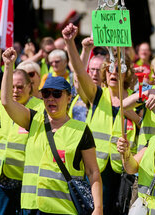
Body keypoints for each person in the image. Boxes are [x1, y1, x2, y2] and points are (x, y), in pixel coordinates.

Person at [0, 47, 102, 214]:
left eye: (56, 94)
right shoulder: (34, 120)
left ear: (69, 98)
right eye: (46, 94)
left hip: (63, 209)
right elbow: (6, 102)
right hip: (31, 207)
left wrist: (98, 208)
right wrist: (8, 65)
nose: (51, 98)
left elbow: (93, 172)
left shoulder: (81, 130)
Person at [63, 23, 139, 214]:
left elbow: (145, 130)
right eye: (110, 68)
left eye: (119, 68)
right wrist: (70, 43)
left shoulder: (138, 100)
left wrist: (133, 115)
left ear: (127, 73)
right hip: (96, 168)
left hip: (125, 169)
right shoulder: (97, 95)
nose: (114, 72)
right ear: (105, 72)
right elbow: (80, 72)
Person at [0, 68, 44, 215]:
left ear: (30, 86)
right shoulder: (1, 106)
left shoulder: (41, 109)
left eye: (20, 87)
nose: (15, 91)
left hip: (27, 181)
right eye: (12, 87)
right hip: (2, 179)